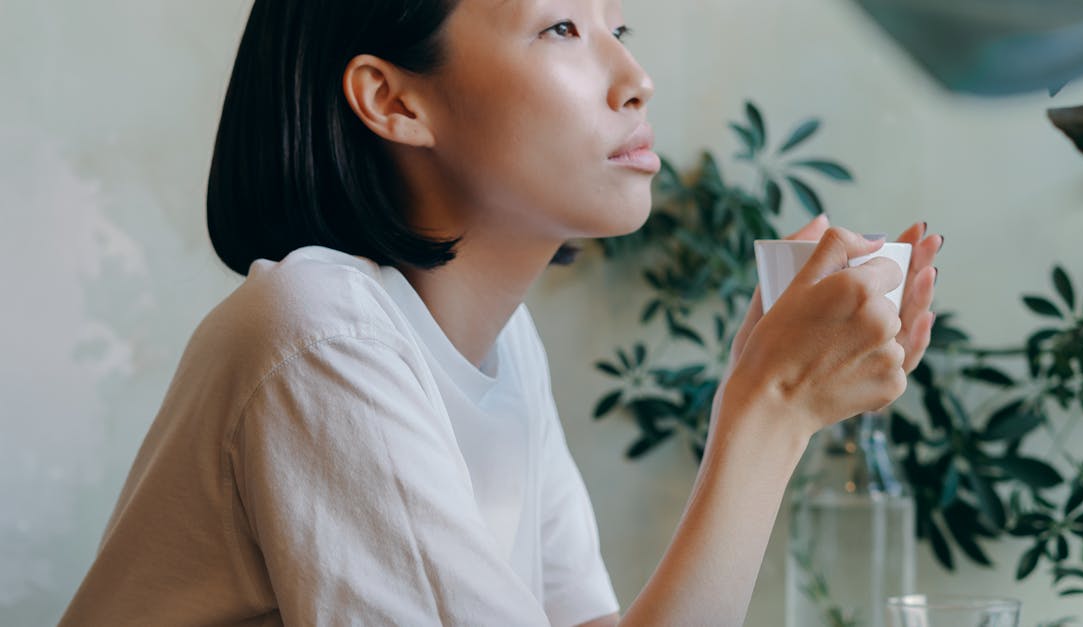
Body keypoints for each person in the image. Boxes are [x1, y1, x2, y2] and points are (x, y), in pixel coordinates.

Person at [59, 0, 942, 625]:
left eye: (617, 27)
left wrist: (760, 393)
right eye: (562, 27)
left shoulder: (502, 347)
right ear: (394, 100)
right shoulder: (319, 330)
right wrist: (770, 407)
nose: (635, 78)